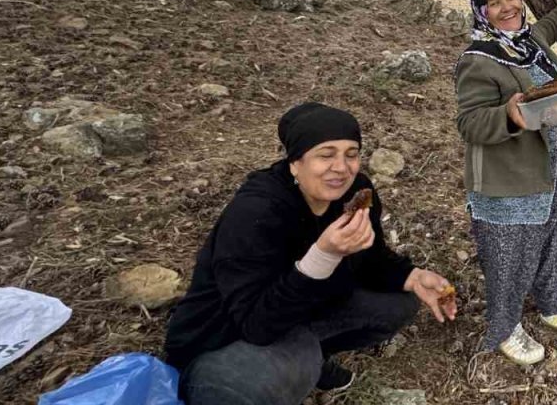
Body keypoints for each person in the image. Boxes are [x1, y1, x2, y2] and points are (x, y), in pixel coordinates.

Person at [164, 103, 457, 405]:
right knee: (297, 356)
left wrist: (413, 276)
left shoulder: (357, 191)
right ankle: (240, 377)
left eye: (351, 154)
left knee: (398, 303)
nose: (342, 168)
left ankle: (303, 356)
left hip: (298, 309)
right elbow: (255, 323)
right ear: (295, 163)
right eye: (326, 155)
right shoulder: (256, 213)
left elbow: (371, 258)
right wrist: (324, 255)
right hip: (224, 337)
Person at [454, 0, 557, 365]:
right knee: (509, 251)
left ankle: (556, 305)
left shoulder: (530, 42)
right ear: (482, 13)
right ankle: (505, 328)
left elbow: (550, 25)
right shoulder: (478, 59)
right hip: (512, 174)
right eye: (494, 3)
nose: (508, 7)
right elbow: (469, 123)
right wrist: (509, 116)